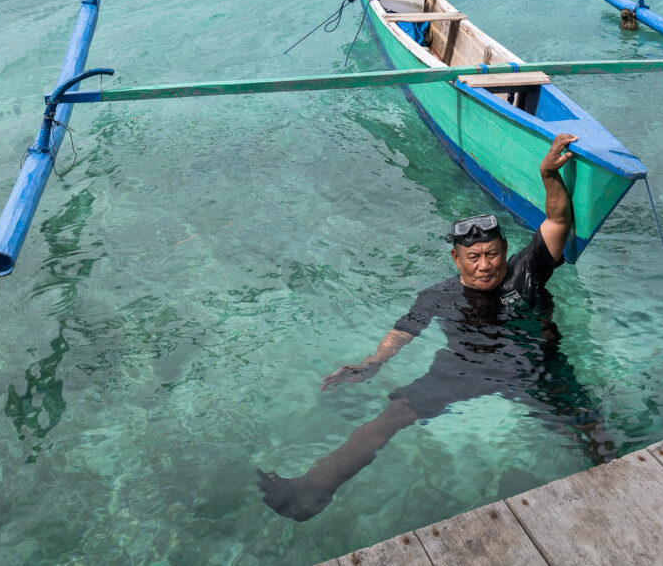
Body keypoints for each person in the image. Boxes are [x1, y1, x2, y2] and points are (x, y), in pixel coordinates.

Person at [257, 133, 615, 521]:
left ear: (505, 252)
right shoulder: (437, 295)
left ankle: (621, 480)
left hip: (533, 363)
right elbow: (405, 331)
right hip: (463, 367)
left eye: (493, 254)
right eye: (474, 257)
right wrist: (372, 364)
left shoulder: (525, 271)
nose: (486, 265)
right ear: (455, 258)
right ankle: (308, 493)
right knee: (391, 416)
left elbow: (558, 219)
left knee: (589, 425)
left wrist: (547, 174)